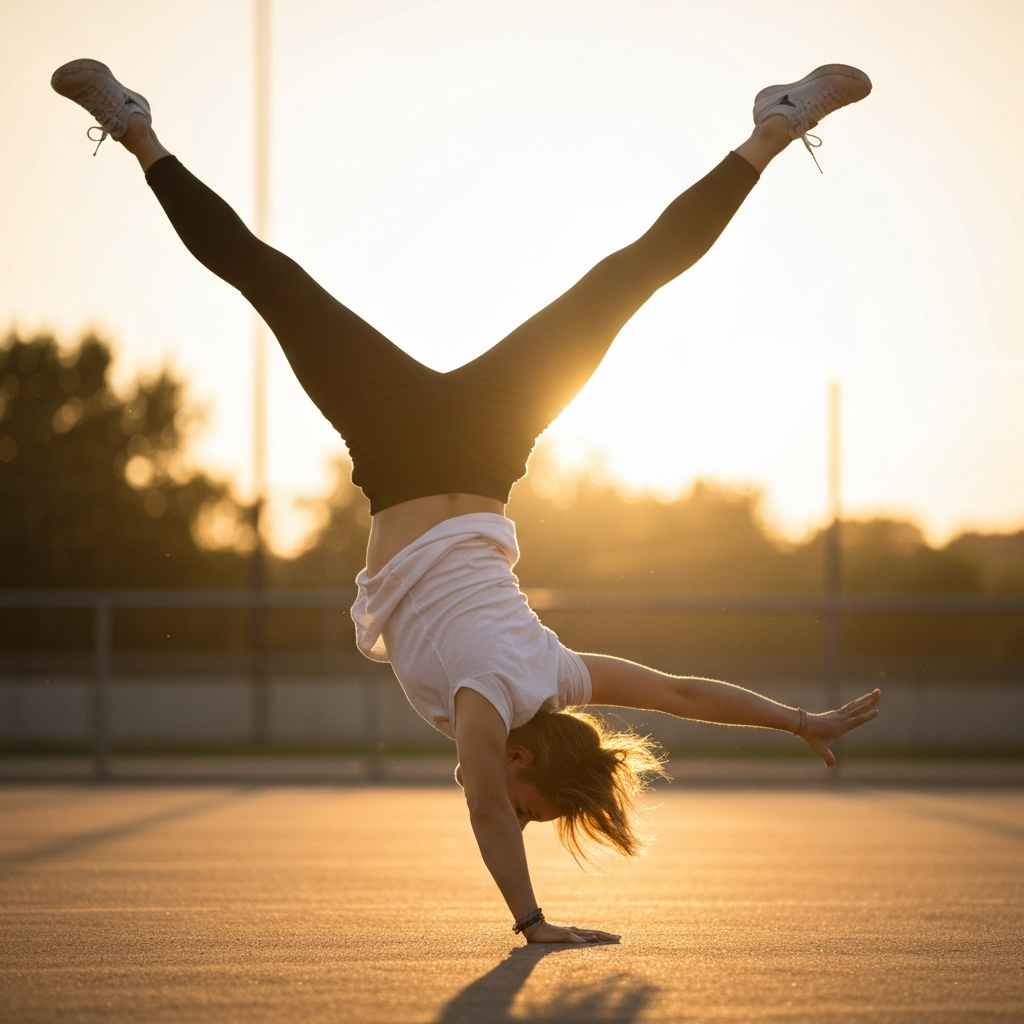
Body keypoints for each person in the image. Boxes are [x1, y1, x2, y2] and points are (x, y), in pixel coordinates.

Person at [52, 58, 881, 945]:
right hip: (436, 449)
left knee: (285, 280)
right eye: (536, 810)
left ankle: (139, 129)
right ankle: (777, 125)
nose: (516, 815)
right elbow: (496, 800)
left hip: (465, 443)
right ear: (525, 759)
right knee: (616, 283)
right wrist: (532, 922)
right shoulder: (490, 704)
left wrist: (800, 719)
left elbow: (677, 693)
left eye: (529, 823)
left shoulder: (563, 673)